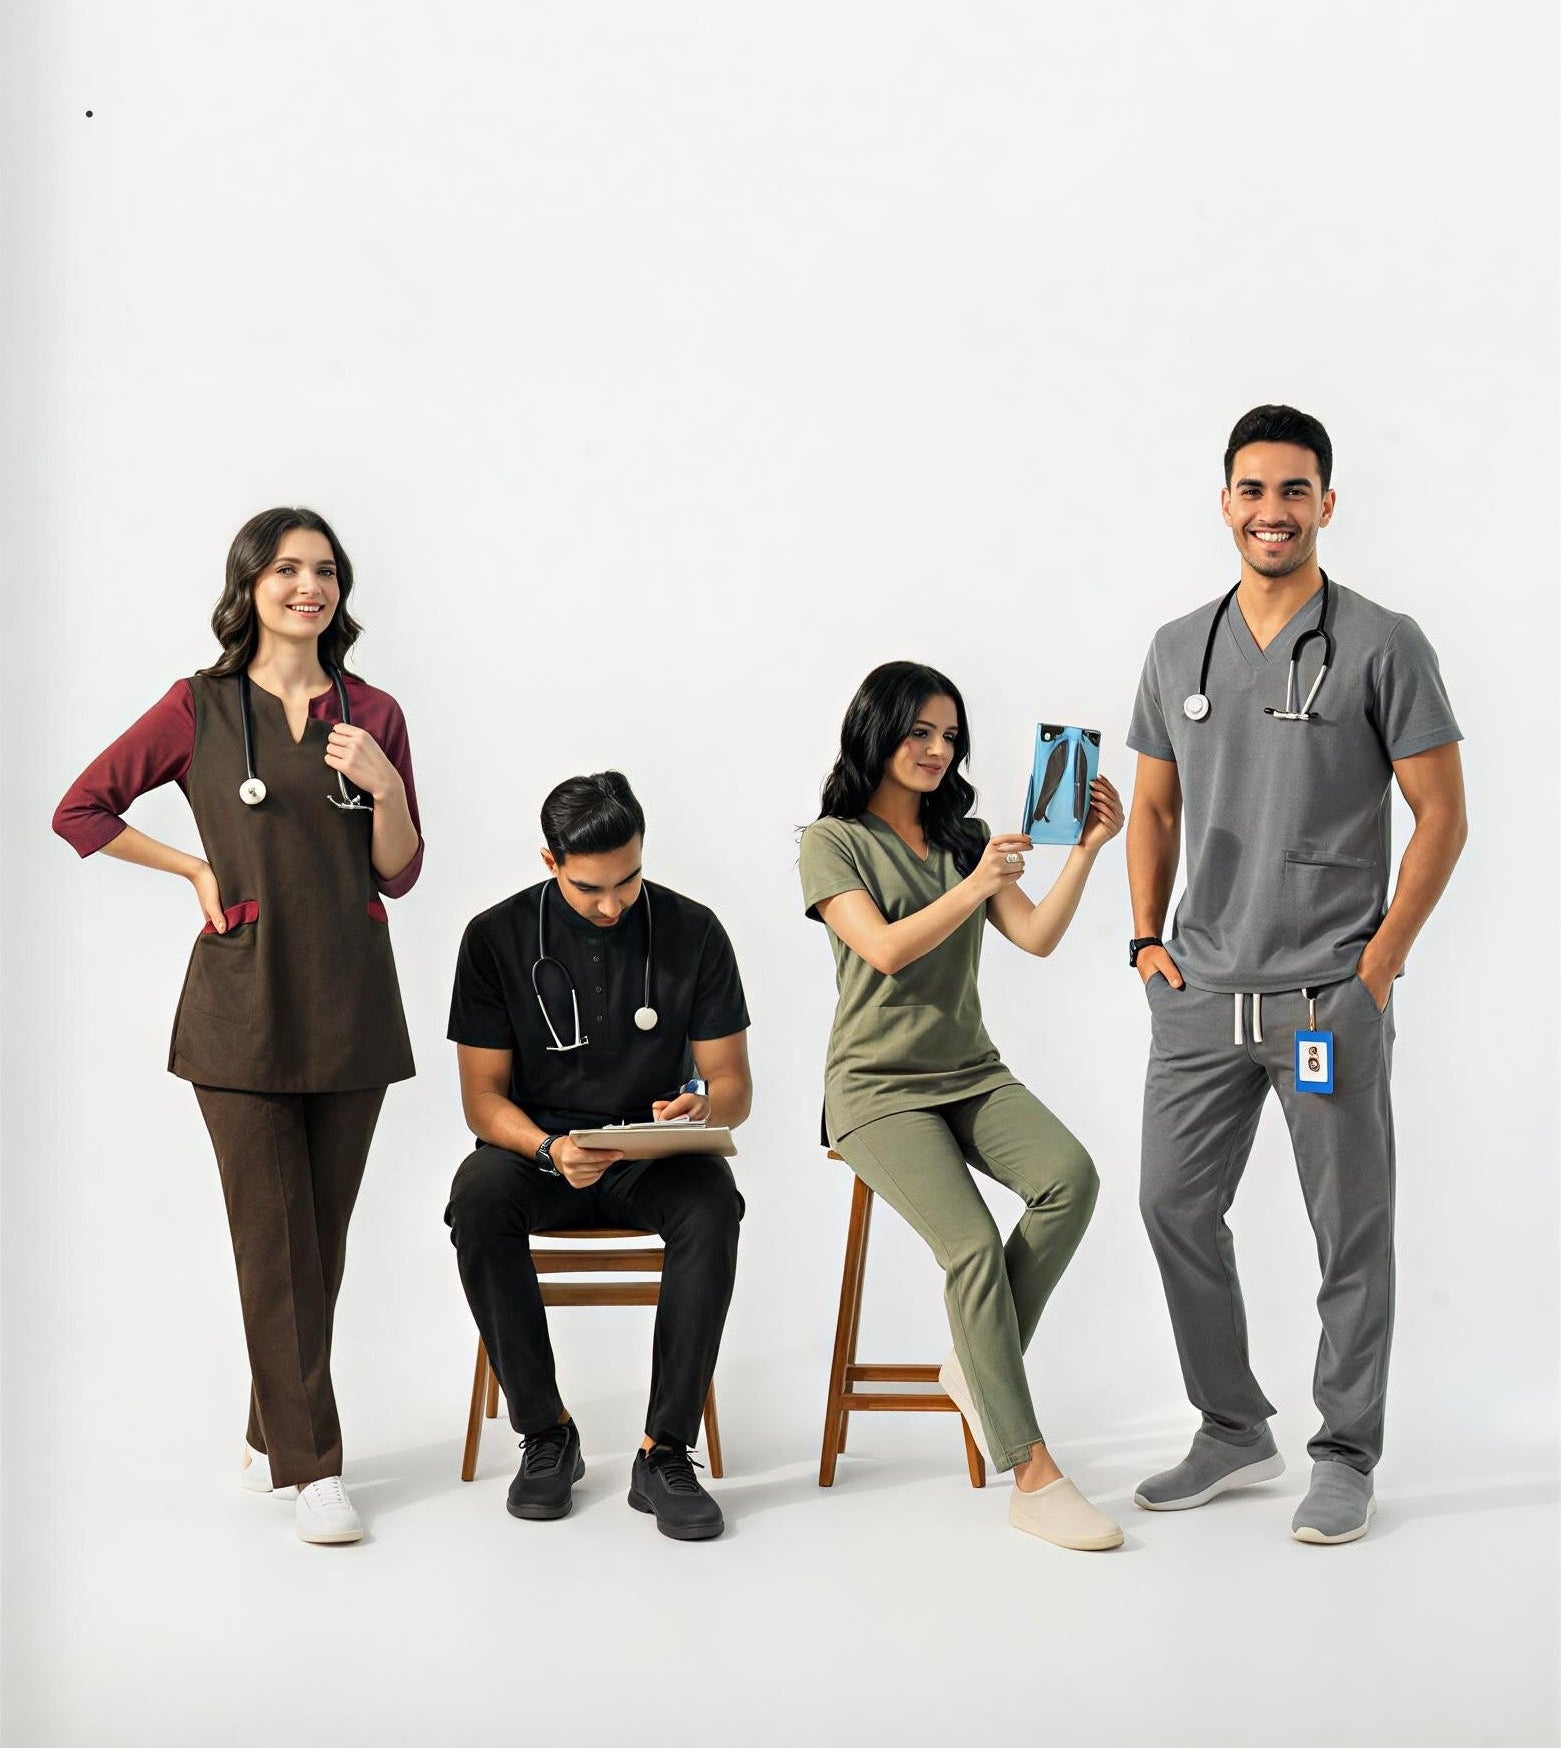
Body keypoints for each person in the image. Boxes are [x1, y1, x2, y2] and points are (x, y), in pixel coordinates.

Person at [1127, 405, 1467, 1545]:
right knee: (1171, 1204)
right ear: (1223, 499)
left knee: (1347, 1230)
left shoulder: (1380, 640)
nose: (1271, 510)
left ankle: (1343, 1451)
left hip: (1327, 994)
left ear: (1327, 502)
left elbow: (1440, 815)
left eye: (1294, 490)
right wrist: (1144, 940)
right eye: (1252, 489)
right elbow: (1154, 805)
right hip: (1199, 994)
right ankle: (1231, 1424)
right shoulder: (1181, 645)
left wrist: (1376, 966)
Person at [53, 507, 424, 1545]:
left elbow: (398, 864)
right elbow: (82, 808)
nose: (309, 585)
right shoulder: (200, 708)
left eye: (325, 570)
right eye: (288, 568)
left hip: (350, 995)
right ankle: (315, 1467)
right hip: (244, 1003)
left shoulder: (373, 711)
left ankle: (271, 1430)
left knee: (320, 1239)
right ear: (250, 583)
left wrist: (384, 781)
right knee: (273, 1240)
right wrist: (191, 867)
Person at [799, 661, 1124, 1552]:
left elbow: (1038, 938)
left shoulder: (961, 834)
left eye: (950, 736)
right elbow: (886, 950)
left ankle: (977, 1366)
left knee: (1070, 1178)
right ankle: (1031, 1472)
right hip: (875, 1088)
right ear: (877, 731)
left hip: (968, 1072)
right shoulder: (831, 841)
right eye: (920, 733)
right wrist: (975, 885)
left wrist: (1087, 852)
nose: (938, 750)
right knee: (972, 1244)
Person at [445, 771, 751, 1542]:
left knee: (714, 1204)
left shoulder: (694, 931)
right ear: (549, 863)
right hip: (539, 1154)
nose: (613, 904)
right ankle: (546, 1433)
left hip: (652, 1158)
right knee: (477, 1199)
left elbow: (734, 1084)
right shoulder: (496, 936)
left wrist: (701, 1106)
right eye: (589, 888)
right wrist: (549, 1147)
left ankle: (664, 1452)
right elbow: (481, 1098)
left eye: (629, 879)